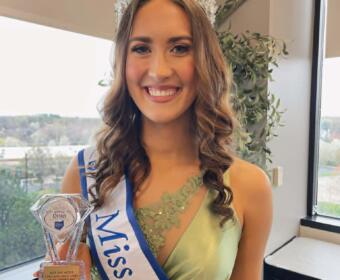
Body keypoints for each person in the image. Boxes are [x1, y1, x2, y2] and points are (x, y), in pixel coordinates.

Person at [37, 0, 272, 279]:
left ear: (205, 60)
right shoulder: (85, 172)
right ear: (123, 62)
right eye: (141, 48)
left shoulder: (251, 187)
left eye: (180, 48)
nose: (159, 70)